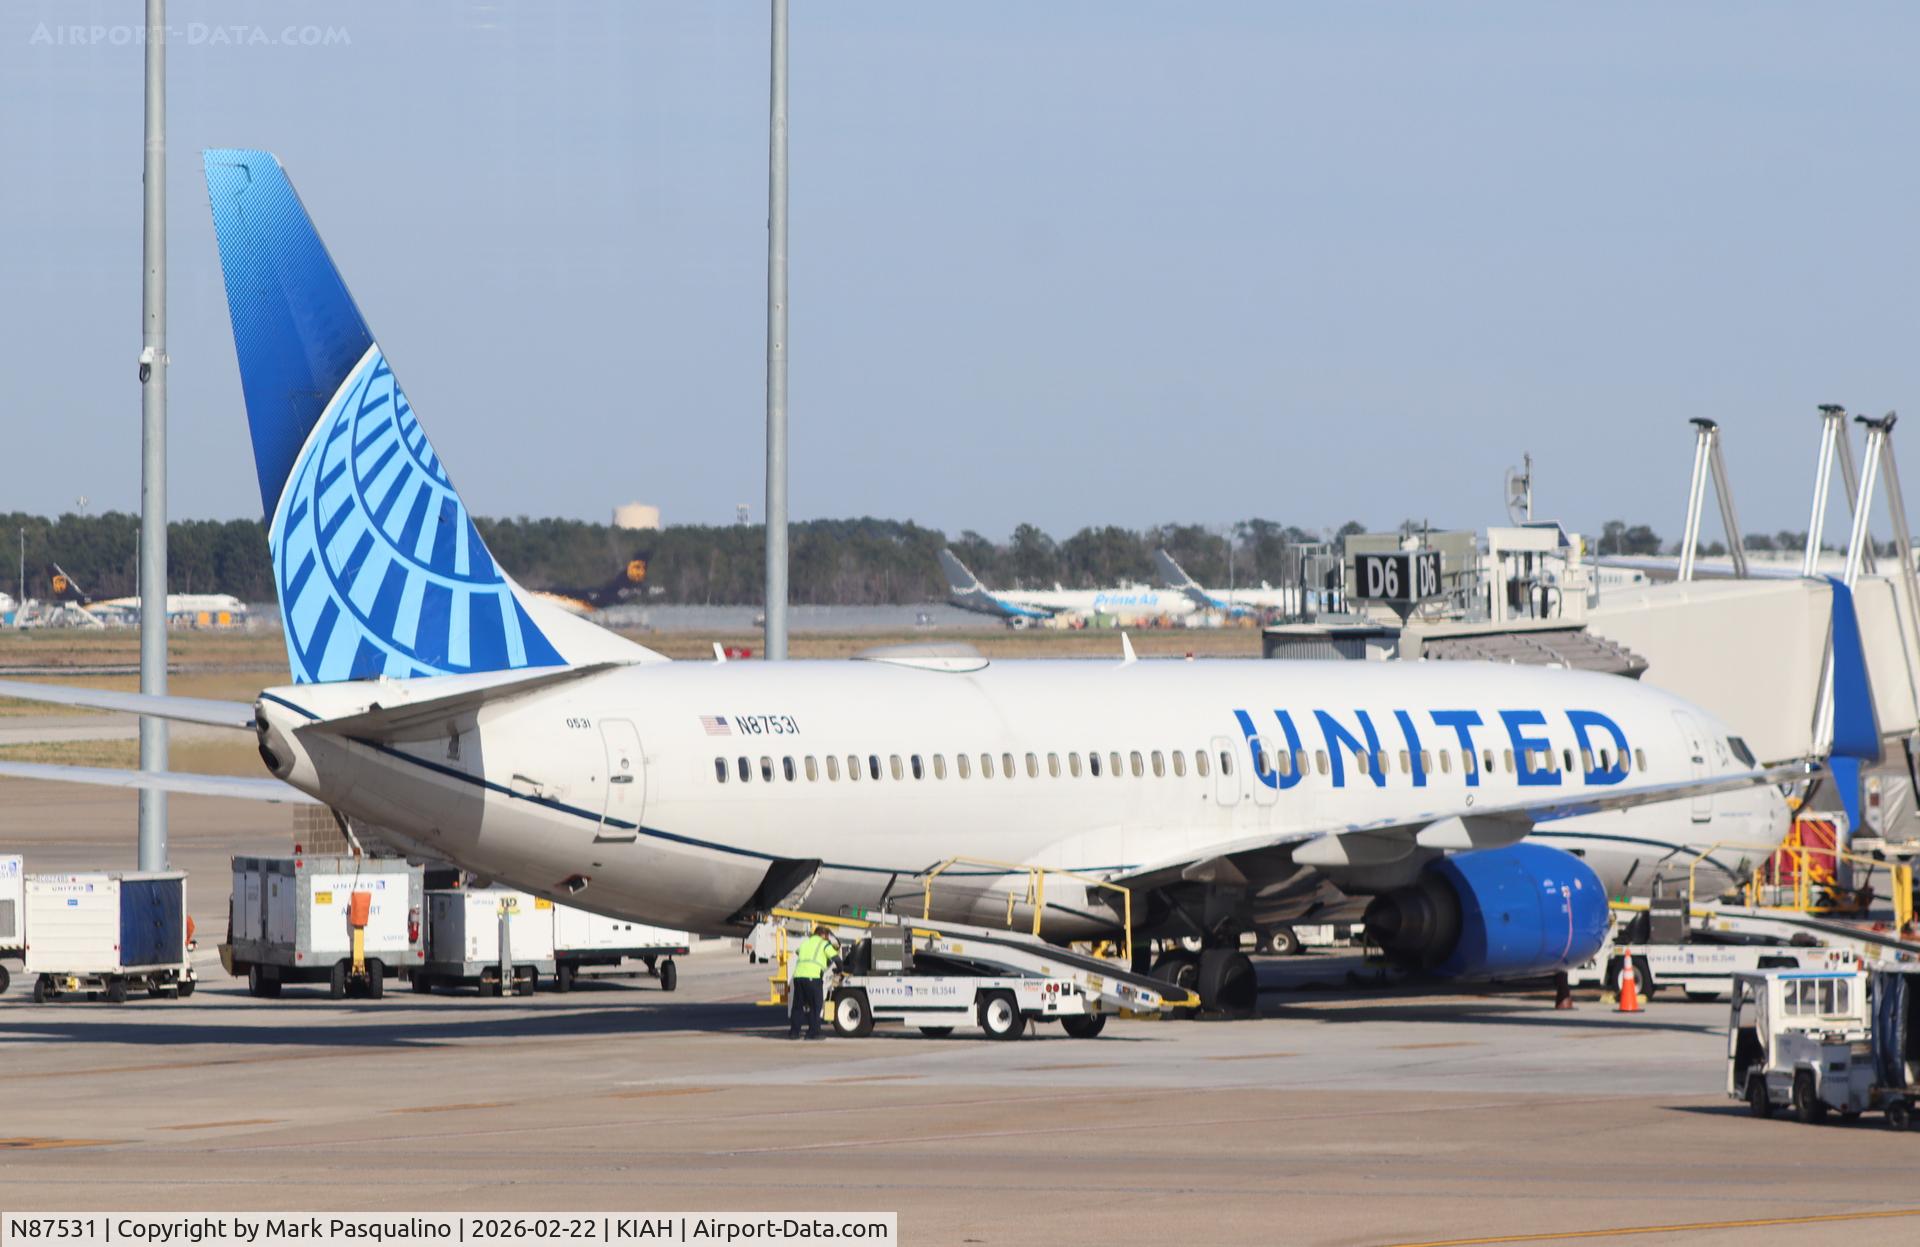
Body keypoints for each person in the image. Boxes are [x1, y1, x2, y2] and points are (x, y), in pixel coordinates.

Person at [787, 923, 839, 1041]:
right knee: (815, 1005)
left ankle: (794, 1033)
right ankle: (813, 1033)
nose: (828, 939)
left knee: (798, 1006)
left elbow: (799, 953)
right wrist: (839, 970)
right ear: (823, 935)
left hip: (798, 977)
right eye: (827, 937)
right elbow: (836, 959)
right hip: (813, 977)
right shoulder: (824, 944)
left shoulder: (806, 943)